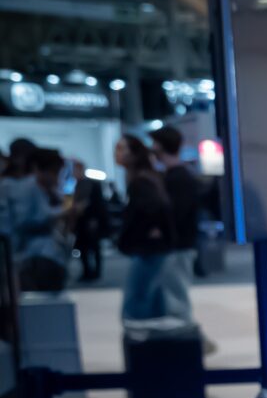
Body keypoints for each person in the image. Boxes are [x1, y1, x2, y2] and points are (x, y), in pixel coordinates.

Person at [116, 135, 179, 321]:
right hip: (151, 248)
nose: (117, 154)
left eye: (121, 148)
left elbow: (156, 207)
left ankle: (141, 337)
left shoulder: (141, 181)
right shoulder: (145, 177)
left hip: (147, 249)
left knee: (136, 304)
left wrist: (150, 230)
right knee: (153, 300)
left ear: (134, 154)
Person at [2, 143, 68, 292]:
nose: (56, 177)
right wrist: (60, 213)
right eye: (54, 172)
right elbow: (23, 221)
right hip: (34, 256)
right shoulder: (28, 187)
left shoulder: (41, 188)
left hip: (41, 254)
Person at [152, 127, 201, 316]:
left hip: (178, 245)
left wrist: (160, 230)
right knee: (172, 293)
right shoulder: (175, 175)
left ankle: (183, 329)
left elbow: (176, 213)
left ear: (161, 146)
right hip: (176, 244)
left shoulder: (179, 177)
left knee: (176, 296)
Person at [69, 158, 112, 282]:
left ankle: (95, 272)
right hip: (82, 221)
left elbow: (97, 205)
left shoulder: (91, 184)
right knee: (84, 248)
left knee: (94, 247)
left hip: (91, 220)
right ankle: (87, 271)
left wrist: (95, 220)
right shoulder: (79, 184)